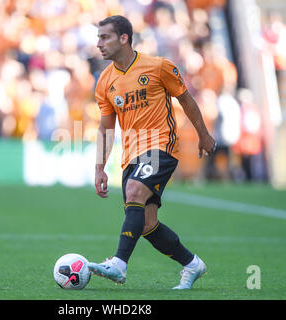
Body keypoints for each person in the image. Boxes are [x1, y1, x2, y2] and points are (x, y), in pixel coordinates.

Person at [89, 15, 216, 290]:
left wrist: (203, 134)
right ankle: (193, 265)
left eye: (104, 37)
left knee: (134, 191)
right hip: (131, 156)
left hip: (161, 145)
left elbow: (186, 98)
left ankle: (118, 265)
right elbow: (106, 128)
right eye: (98, 37)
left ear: (124, 38)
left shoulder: (158, 67)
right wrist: (99, 167)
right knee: (146, 224)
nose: (98, 44)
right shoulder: (104, 82)